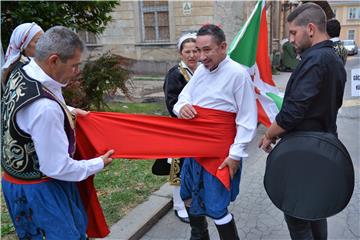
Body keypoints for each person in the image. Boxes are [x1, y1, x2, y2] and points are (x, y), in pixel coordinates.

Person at [1, 26, 114, 239]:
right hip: (41, 191)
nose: (77, 71)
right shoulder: (45, 108)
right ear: (53, 60)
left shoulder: (21, 71)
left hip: (16, 181)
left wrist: (68, 110)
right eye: (74, 65)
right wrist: (98, 163)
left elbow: (26, 114)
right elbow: (56, 167)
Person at [259, 3, 346, 240]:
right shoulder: (333, 57)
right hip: (322, 147)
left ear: (310, 28)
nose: (290, 39)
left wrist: (269, 134)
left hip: (302, 153)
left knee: (298, 216)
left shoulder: (315, 60)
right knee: (316, 211)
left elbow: (292, 114)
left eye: (293, 33)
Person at [173, 24, 257, 240]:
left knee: (217, 205)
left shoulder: (238, 75)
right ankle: (199, 236)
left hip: (221, 154)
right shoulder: (201, 70)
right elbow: (183, 97)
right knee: (189, 196)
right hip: (194, 149)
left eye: (206, 50)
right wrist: (181, 107)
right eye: (198, 50)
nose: (201, 57)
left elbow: (247, 120)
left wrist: (235, 154)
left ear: (223, 47)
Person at [152, 32, 199, 224]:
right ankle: (179, 206)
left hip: (199, 130)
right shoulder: (176, 74)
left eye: (195, 50)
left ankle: (192, 200)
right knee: (178, 169)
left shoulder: (203, 71)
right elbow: (172, 103)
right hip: (181, 130)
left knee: (195, 167)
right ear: (181, 54)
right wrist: (184, 111)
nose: (192, 55)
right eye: (187, 51)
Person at [1, 22, 44, 88]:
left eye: (43, 40)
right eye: (37, 41)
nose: (42, 44)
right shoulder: (23, 70)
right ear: (24, 45)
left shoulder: (17, 65)